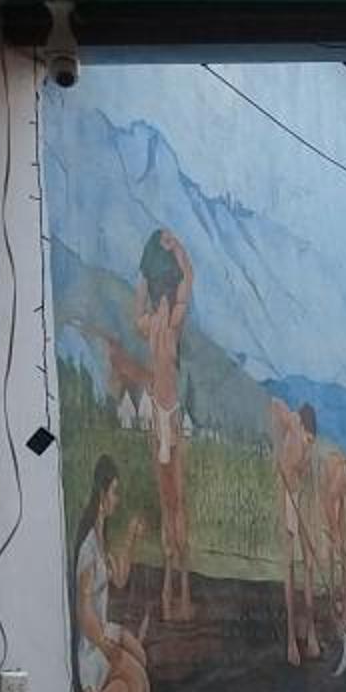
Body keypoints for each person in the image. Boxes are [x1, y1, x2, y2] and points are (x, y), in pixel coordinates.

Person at [132, 229, 197, 621]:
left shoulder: (168, 324)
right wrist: (148, 265)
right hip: (158, 413)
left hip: (170, 414)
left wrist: (177, 247)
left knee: (177, 502)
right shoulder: (155, 324)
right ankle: (168, 590)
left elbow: (189, 278)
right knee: (167, 501)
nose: (161, 297)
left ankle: (182, 589)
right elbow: (140, 300)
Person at [70, 458, 153, 692]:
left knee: (141, 658)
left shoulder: (100, 535)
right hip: (94, 643)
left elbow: (119, 579)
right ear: (102, 492)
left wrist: (130, 536)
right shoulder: (87, 548)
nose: (117, 499)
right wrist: (108, 647)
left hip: (105, 630)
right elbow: (83, 610)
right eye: (115, 492)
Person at [266, 393, 326, 667]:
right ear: (300, 426)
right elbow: (273, 404)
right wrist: (279, 441)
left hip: (300, 497)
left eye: (312, 442)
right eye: (307, 439)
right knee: (289, 566)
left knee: (309, 567)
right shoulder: (292, 421)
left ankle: (311, 633)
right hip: (286, 496)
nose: (308, 446)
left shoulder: (308, 445)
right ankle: (291, 639)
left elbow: (308, 479)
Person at [315, 442, 346, 677]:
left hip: (333, 512)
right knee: (329, 572)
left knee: (345, 563)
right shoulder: (336, 470)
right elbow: (327, 500)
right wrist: (334, 534)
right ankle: (341, 631)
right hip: (321, 510)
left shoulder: (345, 484)